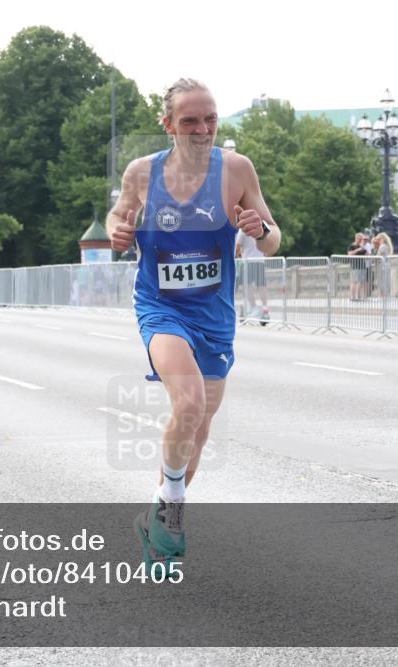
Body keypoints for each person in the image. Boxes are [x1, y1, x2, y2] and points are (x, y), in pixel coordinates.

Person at [106, 78, 280, 574]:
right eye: (190, 121)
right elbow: (117, 223)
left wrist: (259, 230)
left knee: (197, 433)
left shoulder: (237, 169)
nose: (203, 129)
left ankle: (159, 521)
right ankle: (172, 510)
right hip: (162, 307)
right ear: (168, 125)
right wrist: (120, 231)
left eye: (210, 119)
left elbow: (272, 241)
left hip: (215, 314)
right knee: (189, 402)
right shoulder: (143, 173)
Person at [235, 225, 270, 322]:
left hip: (248, 261)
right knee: (261, 285)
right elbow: (268, 244)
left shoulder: (243, 229)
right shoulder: (262, 226)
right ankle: (265, 307)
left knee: (247, 285)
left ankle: (253, 307)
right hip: (260, 260)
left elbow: (237, 246)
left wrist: (238, 255)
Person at [347, 233, 369, 300]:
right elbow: (349, 254)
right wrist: (357, 250)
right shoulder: (351, 246)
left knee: (361, 281)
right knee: (355, 281)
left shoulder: (361, 246)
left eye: (361, 239)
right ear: (356, 238)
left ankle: (359, 296)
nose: (361, 240)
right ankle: (352, 296)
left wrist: (364, 248)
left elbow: (367, 254)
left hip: (362, 266)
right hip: (355, 266)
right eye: (360, 239)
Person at [371, 231, 393, 298]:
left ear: (381, 239)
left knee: (382, 282)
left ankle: (383, 296)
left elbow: (377, 257)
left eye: (378, 239)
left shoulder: (382, 246)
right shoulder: (385, 246)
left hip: (383, 267)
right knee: (385, 281)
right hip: (385, 266)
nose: (376, 240)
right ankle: (384, 296)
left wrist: (372, 246)